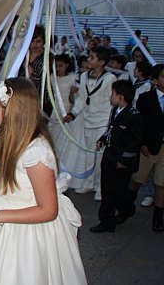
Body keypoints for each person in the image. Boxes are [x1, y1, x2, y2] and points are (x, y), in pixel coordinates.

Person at [0, 78, 87, 284]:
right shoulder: (11, 137)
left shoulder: (37, 153)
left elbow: (48, 209)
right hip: (1, 217)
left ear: (13, 112)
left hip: (21, 230)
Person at [90, 80, 143, 233]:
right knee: (107, 190)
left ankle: (126, 209)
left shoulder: (134, 117)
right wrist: (102, 139)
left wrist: (124, 160)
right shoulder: (115, 111)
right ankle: (106, 221)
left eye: (112, 94)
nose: (110, 97)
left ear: (120, 97)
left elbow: (135, 141)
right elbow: (111, 130)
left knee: (118, 191)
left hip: (121, 161)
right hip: (109, 157)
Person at [63, 46, 116, 198]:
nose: (88, 60)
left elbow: (111, 101)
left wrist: (111, 122)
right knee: (88, 153)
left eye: (92, 57)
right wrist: (72, 114)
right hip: (87, 121)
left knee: (100, 155)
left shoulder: (110, 79)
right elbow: (81, 99)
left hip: (102, 122)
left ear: (101, 62)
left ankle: (100, 187)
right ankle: (89, 183)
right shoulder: (85, 76)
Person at [128, 64, 164, 232]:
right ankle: (126, 205)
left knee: (161, 184)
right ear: (155, 80)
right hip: (148, 147)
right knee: (138, 178)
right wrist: (141, 143)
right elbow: (140, 124)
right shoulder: (146, 98)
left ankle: (158, 219)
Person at [20, 25, 53, 115]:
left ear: (44, 41)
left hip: (41, 100)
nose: (35, 44)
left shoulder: (48, 57)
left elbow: (40, 78)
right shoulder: (23, 55)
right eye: (32, 41)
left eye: (38, 41)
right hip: (22, 97)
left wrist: (30, 70)